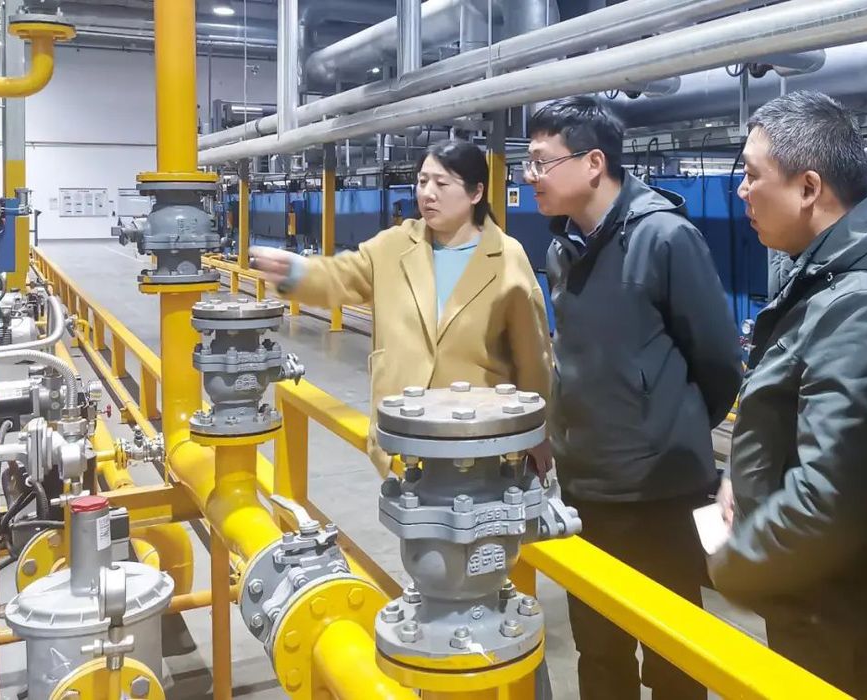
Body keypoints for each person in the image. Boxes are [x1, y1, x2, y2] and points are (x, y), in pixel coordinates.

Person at [708, 90, 867, 699]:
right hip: (825, 593)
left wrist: (731, 562)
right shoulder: (838, 258)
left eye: (752, 176)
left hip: (849, 617)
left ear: (808, 188)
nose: (741, 191)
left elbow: (830, 499)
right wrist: (743, 476)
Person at [525, 95, 742, 699]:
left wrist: (665, 429)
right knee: (599, 650)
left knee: (674, 651)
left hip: (660, 492)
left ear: (593, 163)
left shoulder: (665, 238)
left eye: (542, 161)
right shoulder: (562, 248)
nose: (530, 175)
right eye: (528, 162)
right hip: (584, 489)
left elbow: (719, 362)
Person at [250, 139, 553, 477]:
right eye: (422, 181)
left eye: (441, 183)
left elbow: (533, 356)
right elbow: (340, 277)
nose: (427, 193)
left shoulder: (507, 257)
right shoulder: (393, 246)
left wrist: (538, 430)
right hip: (404, 434)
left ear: (475, 193)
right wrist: (295, 273)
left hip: (479, 437)